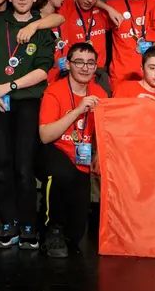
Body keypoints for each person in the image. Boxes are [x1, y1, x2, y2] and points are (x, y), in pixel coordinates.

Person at [0, 0, 54, 250]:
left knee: (24, 168)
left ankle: (28, 225)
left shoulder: (42, 28)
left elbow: (42, 69)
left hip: (26, 101)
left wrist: (8, 86)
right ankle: (7, 222)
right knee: (2, 165)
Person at [37, 43, 106, 258]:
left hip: (82, 157)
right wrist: (77, 110)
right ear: (68, 64)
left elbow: (105, 132)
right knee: (62, 174)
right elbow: (46, 136)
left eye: (90, 63)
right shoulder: (54, 91)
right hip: (54, 150)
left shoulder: (100, 93)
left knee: (76, 233)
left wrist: (98, 154)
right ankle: (51, 228)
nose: (85, 68)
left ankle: (65, 231)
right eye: (79, 62)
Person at [49, 0, 111, 91]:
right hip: (72, 73)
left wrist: (109, 9)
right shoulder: (65, 5)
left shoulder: (105, 12)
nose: (90, 0)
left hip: (98, 75)